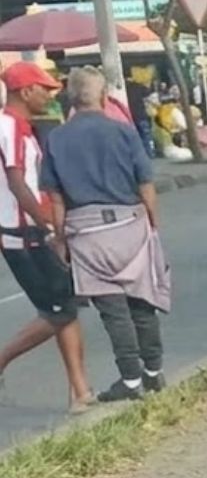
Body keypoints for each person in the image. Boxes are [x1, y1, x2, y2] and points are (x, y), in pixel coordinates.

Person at [40, 67, 170, 403]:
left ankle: (129, 380)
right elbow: (146, 184)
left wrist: (61, 239)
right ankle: (153, 373)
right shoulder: (124, 132)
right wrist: (152, 225)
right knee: (142, 302)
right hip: (130, 224)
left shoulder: (56, 138)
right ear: (103, 97)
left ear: (71, 99)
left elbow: (55, 198)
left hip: (86, 231)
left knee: (113, 310)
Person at [0, 63, 95, 413]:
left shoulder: (22, 128)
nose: (49, 95)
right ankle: (5, 359)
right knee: (59, 309)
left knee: (63, 306)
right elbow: (16, 181)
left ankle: (80, 390)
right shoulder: (9, 127)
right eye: (44, 89)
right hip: (23, 232)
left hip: (25, 228)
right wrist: (46, 224)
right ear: (25, 92)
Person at [125, 70, 154, 157]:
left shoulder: (123, 88)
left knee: (134, 137)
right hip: (141, 114)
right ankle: (149, 153)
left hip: (129, 116)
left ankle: (139, 155)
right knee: (146, 135)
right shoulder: (138, 86)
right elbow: (149, 95)